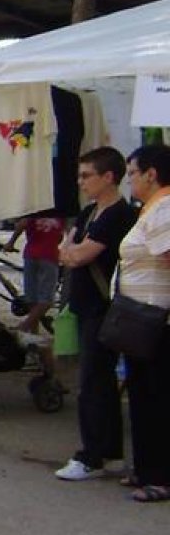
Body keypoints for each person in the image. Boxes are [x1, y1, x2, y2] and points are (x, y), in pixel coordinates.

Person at [53, 147, 137, 481]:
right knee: (98, 380)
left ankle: (91, 455)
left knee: (92, 382)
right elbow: (65, 251)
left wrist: (70, 252)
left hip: (106, 308)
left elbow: (78, 254)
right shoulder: (90, 212)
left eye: (87, 175)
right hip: (85, 305)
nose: (81, 182)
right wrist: (69, 252)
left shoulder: (120, 215)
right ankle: (110, 451)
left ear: (108, 177)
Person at [114, 144, 170, 502]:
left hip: (156, 319)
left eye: (132, 172)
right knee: (142, 396)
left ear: (152, 174)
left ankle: (160, 474)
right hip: (140, 318)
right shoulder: (151, 208)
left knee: (157, 398)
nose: (129, 180)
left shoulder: (165, 208)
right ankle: (147, 467)